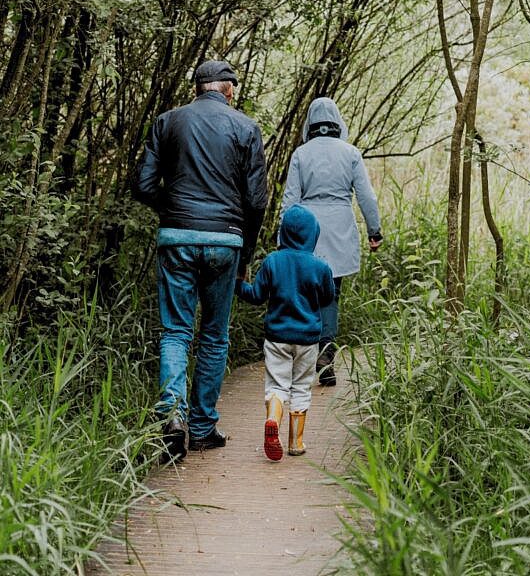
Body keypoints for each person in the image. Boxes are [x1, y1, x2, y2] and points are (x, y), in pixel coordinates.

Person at [131, 59, 268, 462]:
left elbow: (141, 184)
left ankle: (172, 418)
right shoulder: (246, 128)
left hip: (176, 237)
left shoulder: (167, 122)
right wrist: (245, 250)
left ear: (198, 88)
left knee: (175, 331)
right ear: (228, 89)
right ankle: (203, 428)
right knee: (214, 334)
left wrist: (172, 210)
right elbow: (256, 201)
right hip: (226, 241)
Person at [281, 97, 381, 386]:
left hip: (306, 231)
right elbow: (366, 196)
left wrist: (283, 238)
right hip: (339, 229)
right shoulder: (350, 153)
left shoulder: (300, 154)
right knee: (331, 293)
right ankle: (326, 353)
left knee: (305, 294)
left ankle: (304, 358)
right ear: (338, 121)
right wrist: (374, 230)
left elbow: (290, 200)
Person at [236, 205, 336, 460]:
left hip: (277, 338)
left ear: (284, 234)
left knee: (277, 385)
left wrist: (237, 285)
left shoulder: (272, 262)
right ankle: (296, 443)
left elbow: (256, 296)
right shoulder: (320, 267)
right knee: (302, 387)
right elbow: (328, 298)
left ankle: (273, 418)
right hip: (307, 340)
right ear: (312, 235)